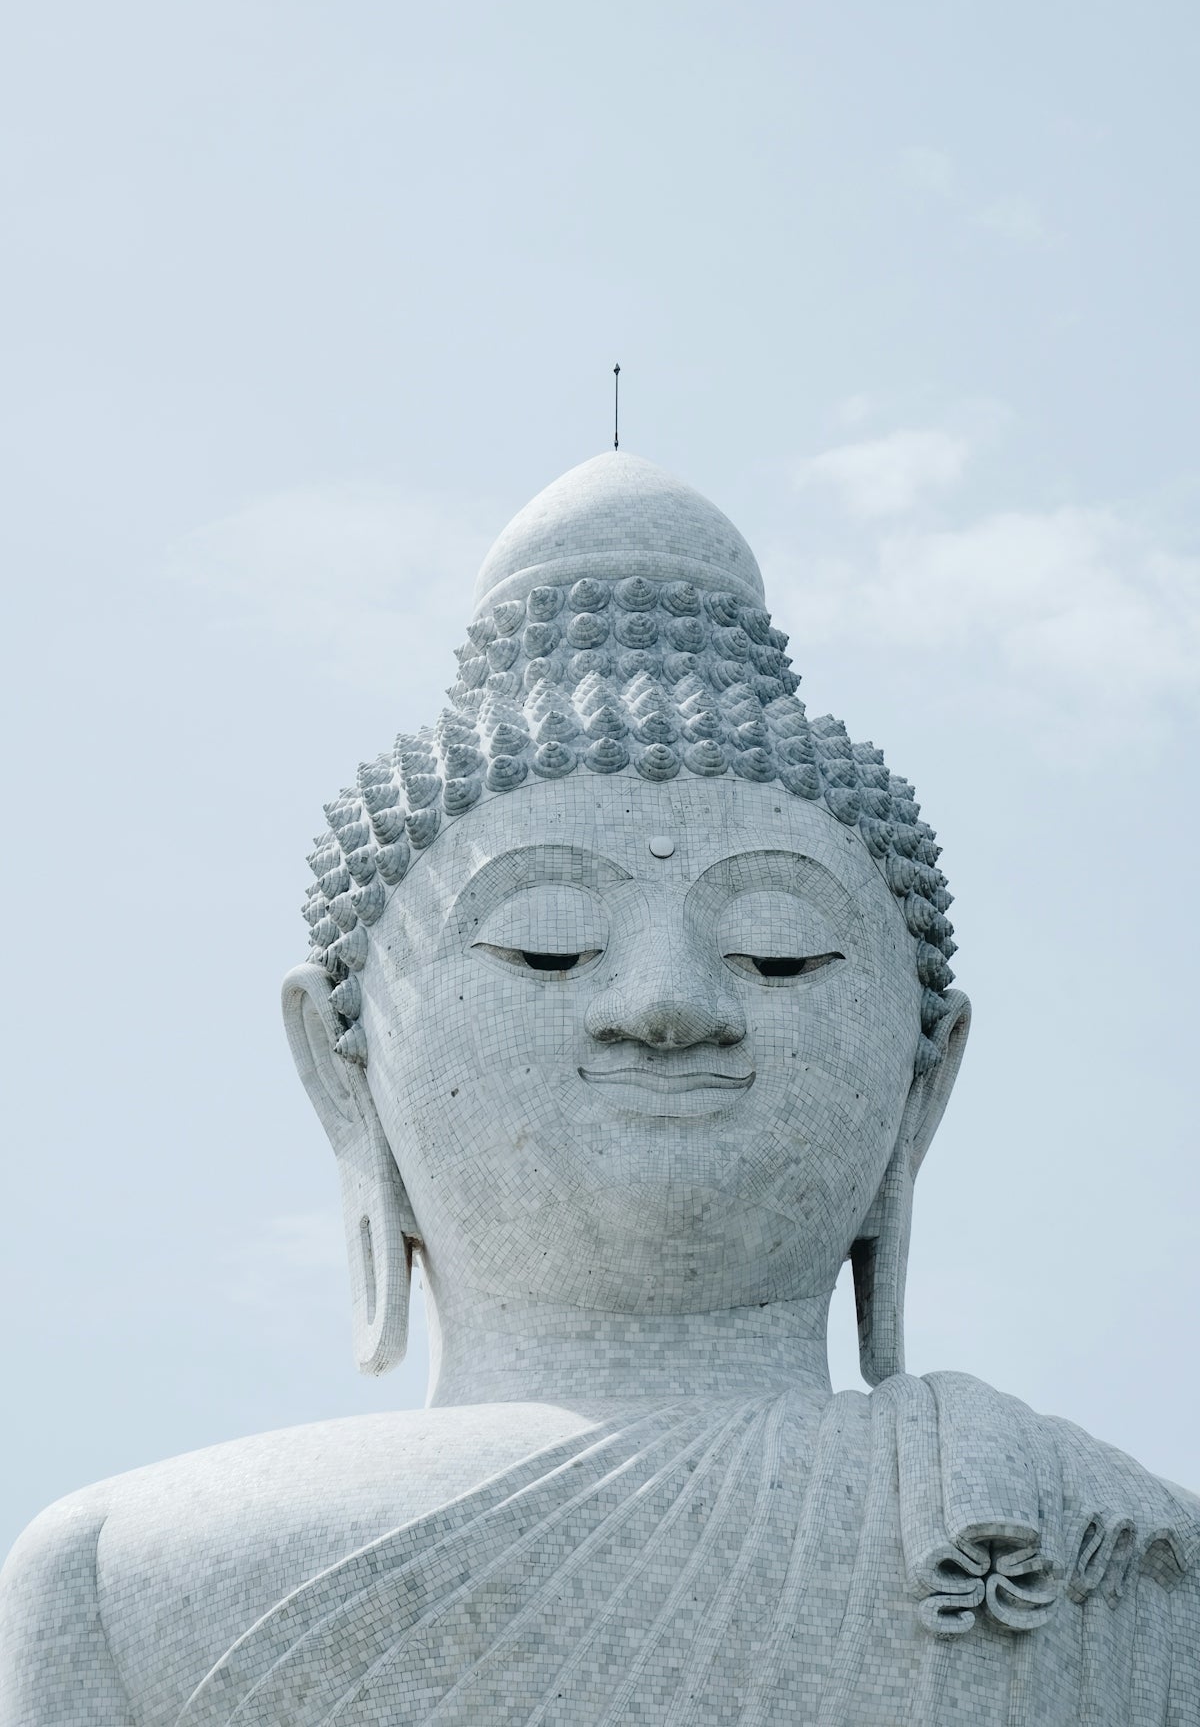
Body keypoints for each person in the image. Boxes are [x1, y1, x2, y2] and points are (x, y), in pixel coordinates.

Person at [3, 452, 1197, 1725]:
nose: (668, 1005)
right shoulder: (123, 1579)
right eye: (549, 943)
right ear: (341, 1072)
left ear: (924, 1085)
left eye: (781, 949)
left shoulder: (1097, 1549)